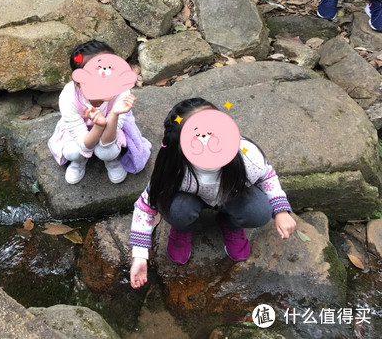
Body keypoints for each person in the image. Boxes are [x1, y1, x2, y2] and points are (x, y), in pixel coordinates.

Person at [129, 98, 296, 289]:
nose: (209, 140)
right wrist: (140, 255)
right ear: (180, 146)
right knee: (176, 209)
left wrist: (281, 210)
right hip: (190, 198)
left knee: (259, 212)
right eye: (199, 135)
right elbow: (145, 206)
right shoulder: (176, 169)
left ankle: (231, 223)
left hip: (232, 195)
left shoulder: (247, 155)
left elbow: (267, 176)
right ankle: (182, 228)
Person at [47, 40, 151, 185]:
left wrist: (114, 114)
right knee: (72, 152)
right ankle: (79, 160)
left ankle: (111, 160)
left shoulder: (121, 91)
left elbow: (106, 142)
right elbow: (85, 144)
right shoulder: (68, 97)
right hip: (81, 132)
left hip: (110, 130)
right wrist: (98, 126)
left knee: (107, 151)